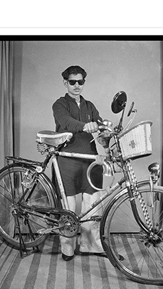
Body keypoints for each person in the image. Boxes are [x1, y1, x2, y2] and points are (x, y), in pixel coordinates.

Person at [52, 65, 105, 261]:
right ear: (65, 82)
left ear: (84, 82)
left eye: (80, 82)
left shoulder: (90, 106)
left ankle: (91, 246)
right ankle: (67, 249)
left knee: (93, 206)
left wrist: (104, 135)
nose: (76, 85)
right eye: (72, 82)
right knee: (69, 207)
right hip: (68, 160)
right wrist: (85, 126)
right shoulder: (59, 105)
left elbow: (99, 129)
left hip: (90, 160)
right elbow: (66, 122)